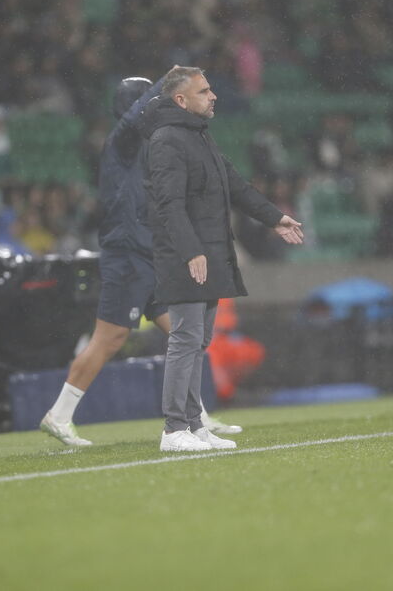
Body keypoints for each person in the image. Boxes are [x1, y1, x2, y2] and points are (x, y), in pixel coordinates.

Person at [39, 75, 241, 447]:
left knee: (188, 335)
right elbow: (136, 119)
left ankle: (196, 419)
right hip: (128, 255)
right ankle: (59, 415)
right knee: (110, 337)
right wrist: (169, 83)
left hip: (150, 255)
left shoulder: (151, 147)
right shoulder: (124, 141)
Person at [143, 66, 304, 452]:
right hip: (188, 256)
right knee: (184, 339)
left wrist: (274, 218)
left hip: (211, 253)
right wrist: (190, 250)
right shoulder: (167, 140)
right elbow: (169, 204)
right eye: (204, 91)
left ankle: (194, 424)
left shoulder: (198, 136)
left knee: (199, 341)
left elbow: (236, 186)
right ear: (180, 100)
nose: (213, 96)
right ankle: (173, 429)